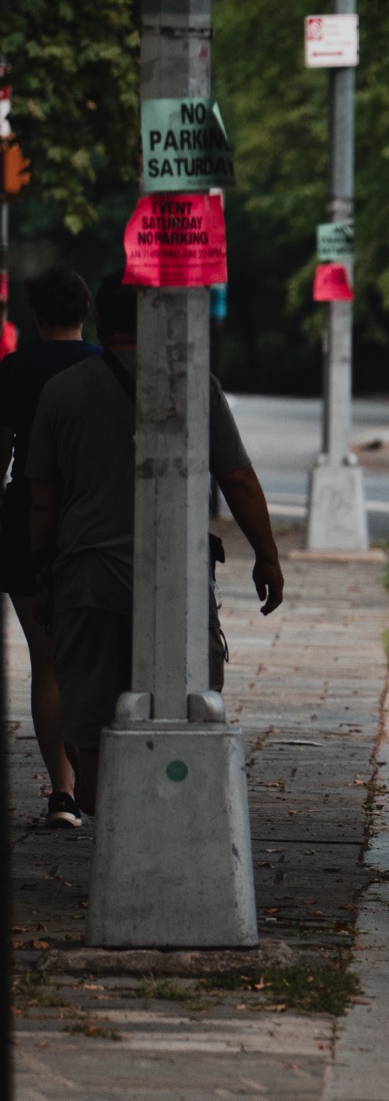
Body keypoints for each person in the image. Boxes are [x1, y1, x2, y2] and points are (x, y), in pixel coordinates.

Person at [27, 274, 285, 815]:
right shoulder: (192, 385)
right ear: (154, 318)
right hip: (177, 582)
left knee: (93, 732)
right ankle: (171, 825)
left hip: (88, 579)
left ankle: (111, 846)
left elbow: (43, 501)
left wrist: (39, 566)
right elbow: (238, 479)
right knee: (182, 718)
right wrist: (267, 555)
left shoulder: (61, 393)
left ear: (100, 322)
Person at [0, 266, 100, 826]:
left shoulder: (14, 370)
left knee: (48, 663)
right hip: (89, 522)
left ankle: (62, 791)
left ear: (36, 317)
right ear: (85, 312)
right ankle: (90, 779)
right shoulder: (103, 368)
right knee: (94, 658)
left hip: (22, 524)